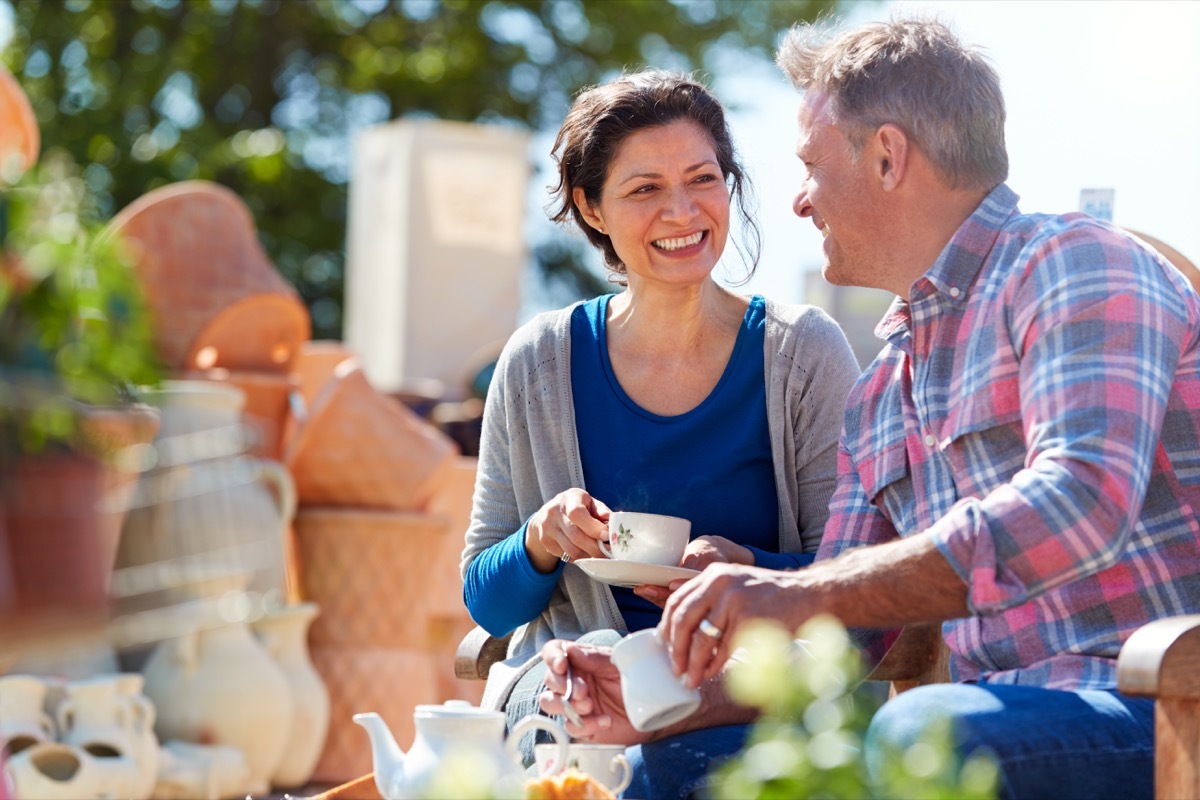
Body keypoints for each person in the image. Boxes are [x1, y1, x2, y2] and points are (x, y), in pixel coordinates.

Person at [537, 16, 1200, 800]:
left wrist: (801, 590)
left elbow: (1081, 502)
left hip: (1160, 712)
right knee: (665, 771)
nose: (798, 202)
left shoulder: (1073, 262)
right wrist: (664, 707)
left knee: (923, 731)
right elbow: (841, 640)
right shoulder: (885, 386)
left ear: (887, 156)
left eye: (811, 166)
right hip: (985, 728)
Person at [459, 68, 860, 761]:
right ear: (591, 208)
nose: (682, 212)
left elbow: (855, 576)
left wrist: (749, 569)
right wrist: (541, 540)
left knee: (683, 761)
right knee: (580, 729)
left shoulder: (803, 355)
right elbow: (487, 606)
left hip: (744, 684)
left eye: (703, 179)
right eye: (645, 189)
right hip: (571, 673)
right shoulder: (537, 363)